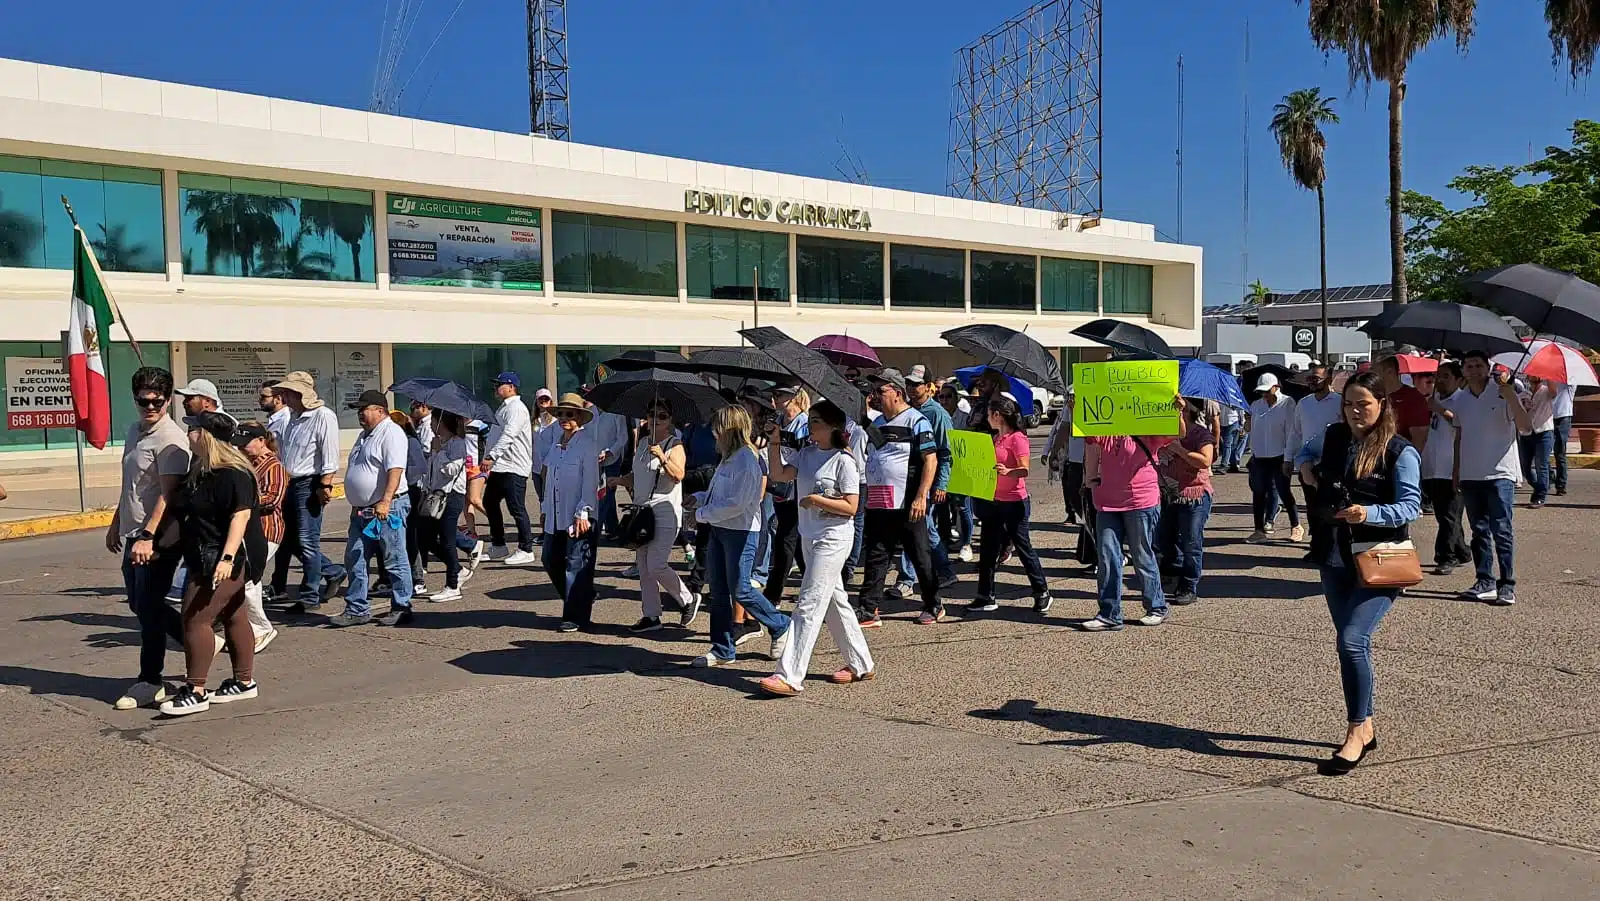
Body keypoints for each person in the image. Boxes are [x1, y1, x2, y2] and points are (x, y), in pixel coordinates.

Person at [1296, 370, 1422, 775]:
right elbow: (1302, 453)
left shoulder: (1400, 452)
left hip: (1379, 556)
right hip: (1334, 552)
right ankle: (1365, 724)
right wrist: (1306, 470)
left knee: (1352, 640)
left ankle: (1354, 731)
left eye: (1363, 404)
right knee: (1348, 644)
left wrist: (1370, 512)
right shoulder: (1333, 436)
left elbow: (1411, 507)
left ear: (1382, 405)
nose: (1354, 411)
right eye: (1348, 403)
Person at [759, 401, 875, 695]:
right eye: (810, 420)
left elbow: (851, 506)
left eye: (817, 421)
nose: (810, 426)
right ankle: (861, 663)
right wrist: (774, 442)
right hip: (809, 535)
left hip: (833, 539)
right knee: (836, 602)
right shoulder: (807, 454)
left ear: (834, 427)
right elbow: (779, 474)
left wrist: (816, 500)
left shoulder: (844, 460)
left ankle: (790, 675)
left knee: (809, 602)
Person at [159, 412, 268, 716]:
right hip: (202, 554)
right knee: (234, 615)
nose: (188, 434)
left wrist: (227, 559)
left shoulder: (233, 472)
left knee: (195, 619)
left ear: (205, 435)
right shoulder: (201, 470)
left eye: (192, 430)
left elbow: (241, 516)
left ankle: (196, 690)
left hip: (221, 559)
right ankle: (244, 682)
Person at [108, 367, 191, 711]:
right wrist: (117, 522)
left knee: (150, 606)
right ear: (135, 399)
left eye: (158, 400)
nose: (151, 406)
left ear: (168, 399)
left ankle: (150, 680)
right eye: (144, 400)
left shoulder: (170, 439)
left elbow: (168, 495)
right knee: (141, 603)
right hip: (134, 531)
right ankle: (195, 638)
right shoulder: (135, 431)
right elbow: (132, 484)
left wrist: (147, 536)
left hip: (157, 536)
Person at [688, 405, 792, 666]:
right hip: (720, 529)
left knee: (741, 589)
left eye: (718, 427)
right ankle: (723, 648)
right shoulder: (728, 457)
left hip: (742, 532)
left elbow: (738, 503)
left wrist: (702, 514)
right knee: (720, 591)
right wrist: (699, 499)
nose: (713, 432)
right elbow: (720, 494)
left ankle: (781, 624)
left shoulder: (747, 458)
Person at [857, 369, 943, 627]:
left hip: (907, 502)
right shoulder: (877, 424)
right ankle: (868, 608)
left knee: (919, 554)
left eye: (881, 391)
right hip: (879, 501)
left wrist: (921, 497)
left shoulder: (917, 421)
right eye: (874, 392)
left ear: (896, 392)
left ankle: (933, 603)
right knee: (876, 554)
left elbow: (931, 459)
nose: (876, 397)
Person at [1445, 351, 1531, 605]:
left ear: (1487, 367)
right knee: (1478, 531)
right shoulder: (1460, 400)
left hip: (1500, 473)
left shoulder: (1503, 391)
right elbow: (1459, 437)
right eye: (1468, 366)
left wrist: (1511, 397)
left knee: (1502, 530)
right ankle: (1485, 580)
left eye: (1478, 365)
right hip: (1471, 475)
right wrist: (1456, 471)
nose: (1473, 370)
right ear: (1463, 370)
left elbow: (1525, 427)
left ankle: (1507, 584)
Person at [1076, 414, 1174, 632]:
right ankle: (1109, 614)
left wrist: (1176, 410)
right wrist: (1078, 410)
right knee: (1107, 557)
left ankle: (1157, 606)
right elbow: (1087, 433)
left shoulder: (1148, 429)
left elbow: (1176, 431)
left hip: (1140, 501)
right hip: (1107, 503)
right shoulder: (1107, 430)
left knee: (1142, 555)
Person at [610, 399, 698, 632]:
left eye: (662, 416)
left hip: (665, 511)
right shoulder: (642, 444)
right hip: (642, 512)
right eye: (652, 414)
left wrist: (662, 456)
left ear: (670, 421)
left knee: (657, 565)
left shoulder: (674, 444)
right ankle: (651, 616)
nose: (655, 419)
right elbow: (637, 475)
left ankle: (688, 598)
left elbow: (678, 474)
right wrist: (619, 480)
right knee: (644, 566)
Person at [331, 390, 414, 627]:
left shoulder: (391, 433)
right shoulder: (365, 435)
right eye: (358, 410)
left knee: (394, 558)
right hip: (362, 510)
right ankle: (357, 608)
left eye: (363, 410)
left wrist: (386, 500)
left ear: (380, 410)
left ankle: (402, 606)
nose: (359, 414)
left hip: (388, 508)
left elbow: (395, 470)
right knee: (355, 557)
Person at [968, 395, 1052, 615]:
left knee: (1023, 547)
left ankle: (1041, 591)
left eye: (989, 414)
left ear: (998, 415)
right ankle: (985, 595)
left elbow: (1024, 469)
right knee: (987, 550)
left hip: (1015, 502)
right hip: (993, 500)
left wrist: (1009, 471)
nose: (987, 417)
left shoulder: (1018, 438)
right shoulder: (996, 438)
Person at [272, 371, 344, 613]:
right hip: (290, 482)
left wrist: (325, 484)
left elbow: (329, 453)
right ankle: (332, 572)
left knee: (306, 540)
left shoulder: (322, 416)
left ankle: (309, 595)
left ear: (299, 393)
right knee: (292, 540)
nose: (284, 397)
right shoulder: (291, 418)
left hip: (309, 483)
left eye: (288, 392)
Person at [541, 394, 603, 632]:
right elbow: (549, 480)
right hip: (556, 512)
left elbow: (590, 482)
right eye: (561, 414)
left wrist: (583, 512)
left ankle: (575, 615)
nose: (564, 418)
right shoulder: (556, 445)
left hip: (577, 513)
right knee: (550, 559)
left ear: (579, 417)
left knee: (576, 564)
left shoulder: (587, 444)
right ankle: (582, 595)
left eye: (570, 414)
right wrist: (545, 508)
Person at [895, 365, 957, 595]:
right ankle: (945, 571)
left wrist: (941, 484)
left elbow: (945, 452)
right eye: (908, 384)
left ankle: (907, 579)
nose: (911, 388)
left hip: (928, 481)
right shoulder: (906, 411)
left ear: (929, 387)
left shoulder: (937, 414)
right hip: (908, 479)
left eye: (916, 384)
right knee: (925, 530)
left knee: (916, 527)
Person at [1157, 399, 1216, 607]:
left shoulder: (1200, 433)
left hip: (1194, 495)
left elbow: (1205, 461)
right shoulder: (1161, 430)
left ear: (1189, 409)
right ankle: (1174, 570)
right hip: (1166, 494)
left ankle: (1189, 585)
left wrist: (1179, 449)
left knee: (1191, 541)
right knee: (1165, 538)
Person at [234, 422, 285, 653]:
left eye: (246, 443)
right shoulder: (248, 464)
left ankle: (261, 628)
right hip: (248, 530)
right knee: (247, 579)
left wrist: (244, 501)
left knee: (248, 580)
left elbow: (273, 499)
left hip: (266, 530)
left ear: (261, 441)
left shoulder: (274, 467)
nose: (242, 448)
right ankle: (251, 628)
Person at [762, 385, 811, 606]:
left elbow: (804, 458)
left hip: (796, 487)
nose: (776, 399)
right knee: (795, 541)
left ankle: (773, 595)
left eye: (780, 394)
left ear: (794, 396)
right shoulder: (779, 422)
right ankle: (813, 584)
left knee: (785, 539)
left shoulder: (803, 424)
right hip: (780, 484)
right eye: (774, 395)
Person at [1421, 362, 1471, 576]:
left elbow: (1462, 424)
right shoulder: (1434, 399)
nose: (1440, 380)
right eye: (1438, 376)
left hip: (1452, 467)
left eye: (1446, 376)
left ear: (1459, 380)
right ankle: (1462, 551)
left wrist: (1440, 410)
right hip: (1432, 466)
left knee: (1450, 515)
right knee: (1445, 516)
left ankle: (1445, 556)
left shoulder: (1462, 400)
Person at [416, 411, 472, 603]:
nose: (430, 424)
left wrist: (439, 453)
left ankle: (452, 585)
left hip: (452, 495)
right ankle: (456, 568)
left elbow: (451, 470)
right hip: (435, 495)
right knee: (427, 537)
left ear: (442, 422)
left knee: (448, 539)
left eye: (433, 420)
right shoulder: (437, 442)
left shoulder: (457, 443)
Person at [483, 372, 536, 565]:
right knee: (489, 502)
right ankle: (498, 545)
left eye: (500, 384)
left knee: (516, 508)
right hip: (501, 466)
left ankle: (526, 548)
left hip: (514, 466)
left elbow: (509, 435)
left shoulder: (516, 408)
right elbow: (496, 436)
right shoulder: (503, 408)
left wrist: (491, 456)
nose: (496, 388)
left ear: (511, 387)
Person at [1246, 373, 1301, 543]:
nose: (1264, 394)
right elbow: (1251, 429)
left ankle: (1296, 525)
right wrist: (1247, 422)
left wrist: (1289, 456)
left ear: (1276, 387)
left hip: (1280, 455)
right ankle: (1259, 530)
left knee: (1284, 491)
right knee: (1259, 493)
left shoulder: (1287, 403)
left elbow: (1292, 431)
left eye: (1267, 390)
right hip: (1260, 456)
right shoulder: (1256, 405)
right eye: (1262, 391)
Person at [1291, 364, 1344, 529]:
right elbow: (1295, 433)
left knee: (1331, 507)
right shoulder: (1303, 404)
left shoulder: (1340, 402)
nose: (1311, 382)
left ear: (1328, 379)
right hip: (1308, 463)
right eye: (1309, 378)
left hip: (1333, 464)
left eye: (1315, 378)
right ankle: (1315, 544)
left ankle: (1331, 545)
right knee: (1312, 505)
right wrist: (1287, 460)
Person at [588, 385, 632, 541]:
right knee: (604, 495)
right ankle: (613, 529)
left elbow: (623, 437)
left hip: (612, 459)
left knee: (605, 494)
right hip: (594, 460)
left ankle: (595, 530)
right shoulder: (590, 412)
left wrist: (609, 452)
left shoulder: (616, 412)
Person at [1517, 375, 1557, 509]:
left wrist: (1549, 374)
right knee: (1525, 467)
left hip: (1543, 432)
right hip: (1527, 433)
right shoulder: (1524, 394)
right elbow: (1517, 410)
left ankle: (1540, 496)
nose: (1535, 375)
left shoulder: (1546, 391)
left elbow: (1553, 392)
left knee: (1541, 465)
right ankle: (1540, 486)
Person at [1377, 356, 1431, 451]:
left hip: (1399, 457)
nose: (1371, 376)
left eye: (1375, 371)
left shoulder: (1413, 398)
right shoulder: (1375, 395)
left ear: (1389, 372)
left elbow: (1419, 439)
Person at [529, 388, 557, 539]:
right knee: (542, 500)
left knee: (549, 499)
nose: (544, 402)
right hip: (535, 466)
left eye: (546, 399)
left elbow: (555, 445)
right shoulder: (534, 421)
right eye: (541, 400)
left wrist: (547, 465)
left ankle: (549, 530)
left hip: (548, 466)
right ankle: (544, 529)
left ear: (551, 401)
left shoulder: (555, 422)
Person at [1551, 378, 1576, 497]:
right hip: (1547, 415)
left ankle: (1561, 485)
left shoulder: (1569, 379)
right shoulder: (1547, 378)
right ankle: (1550, 477)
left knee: (1560, 452)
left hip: (1563, 416)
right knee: (1543, 452)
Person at [260, 381, 290, 446]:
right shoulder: (275, 419)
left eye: (263, 397)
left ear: (278, 399)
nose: (259, 400)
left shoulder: (285, 420)